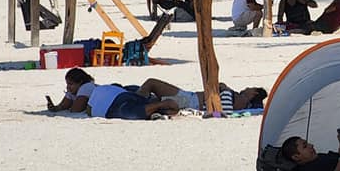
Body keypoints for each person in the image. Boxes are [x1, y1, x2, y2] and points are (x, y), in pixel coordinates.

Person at [46, 68, 180, 119]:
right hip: (116, 93)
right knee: (138, 103)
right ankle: (162, 107)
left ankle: (162, 104)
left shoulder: (86, 88)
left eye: (70, 84)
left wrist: (69, 98)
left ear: (79, 82)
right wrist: (57, 107)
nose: (68, 87)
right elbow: (64, 106)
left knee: (133, 111)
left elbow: (75, 109)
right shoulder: (89, 88)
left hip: (111, 102)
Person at [135, 78, 267, 113]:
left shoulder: (241, 100)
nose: (246, 88)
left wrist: (203, 112)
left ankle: (133, 103)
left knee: (151, 83)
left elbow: (223, 112)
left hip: (189, 101)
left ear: (254, 93)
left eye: (250, 88)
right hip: (189, 99)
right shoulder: (238, 98)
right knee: (152, 94)